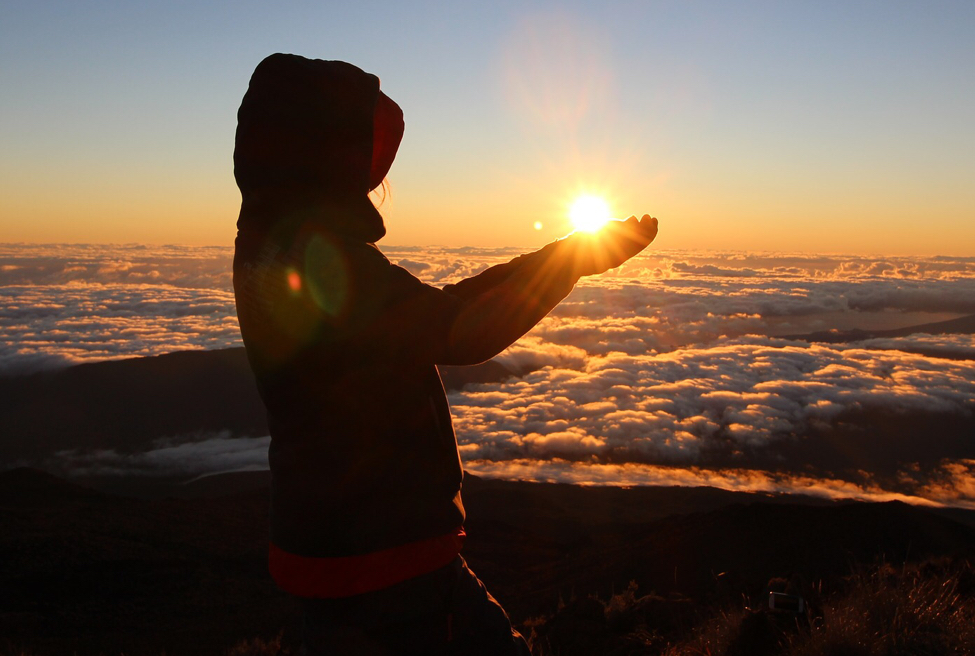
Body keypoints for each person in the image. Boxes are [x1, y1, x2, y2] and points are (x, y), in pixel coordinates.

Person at [232, 53, 657, 655]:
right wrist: (577, 258)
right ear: (323, 148)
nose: (374, 170)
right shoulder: (315, 256)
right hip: (378, 557)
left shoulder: (267, 242)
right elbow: (456, 330)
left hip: (338, 547)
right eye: (360, 146)